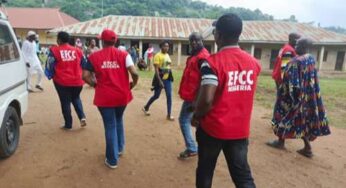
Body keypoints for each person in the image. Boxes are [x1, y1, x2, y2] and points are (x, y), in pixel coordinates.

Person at [191, 13, 260, 188]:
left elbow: (206, 100)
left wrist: (197, 116)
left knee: (205, 172)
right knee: (243, 177)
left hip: (213, 130)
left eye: (215, 32)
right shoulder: (253, 63)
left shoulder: (212, 63)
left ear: (219, 35)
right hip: (240, 131)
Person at [82, 29, 139, 169]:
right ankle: (119, 149)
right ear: (115, 41)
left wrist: (94, 84)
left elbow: (84, 76)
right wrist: (132, 85)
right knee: (118, 120)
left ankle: (112, 160)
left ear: (102, 41)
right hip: (122, 95)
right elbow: (135, 72)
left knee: (110, 125)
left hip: (105, 97)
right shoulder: (124, 54)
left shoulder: (94, 57)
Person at [266, 38, 331, 158]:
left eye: (298, 45)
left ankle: (280, 142)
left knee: (282, 117)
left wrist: (288, 97)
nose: (295, 47)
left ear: (304, 46)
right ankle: (307, 148)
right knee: (301, 121)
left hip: (292, 98)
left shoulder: (295, 62)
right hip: (307, 97)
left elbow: (292, 84)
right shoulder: (310, 58)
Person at [45, 31, 87, 130]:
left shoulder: (55, 50)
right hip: (77, 81)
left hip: (62, 81)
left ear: (59, 40)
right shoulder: (78, 51)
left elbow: (49, 64)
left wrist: (50, 75)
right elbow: (84, 64)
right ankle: (82, 117)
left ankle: (68, 124)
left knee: (65, 102)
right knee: (76, 98)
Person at [177, 32, 210, 159]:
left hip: (195, 97)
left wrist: (196, 101)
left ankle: (192, 147)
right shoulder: (195, 56)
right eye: (191, 41)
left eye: (196, 40)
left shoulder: (203, 58)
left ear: (202, 40)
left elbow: (205, 81)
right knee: (196, 121)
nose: (194, 43)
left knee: (184, 120)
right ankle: (200, 146)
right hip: (191, 95)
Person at [142, 40, 174, 121]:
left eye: (167, 46)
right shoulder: (157, 56)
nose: (166, 48)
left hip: (167, 79)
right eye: (165, 46)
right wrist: (160, 81)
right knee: (156, 96)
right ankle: (146, 107)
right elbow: (156, 70)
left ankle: (169, 115)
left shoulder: (167, 55)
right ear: (161, 47)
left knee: (169, 96)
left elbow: (168, 66)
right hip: (160, 79)